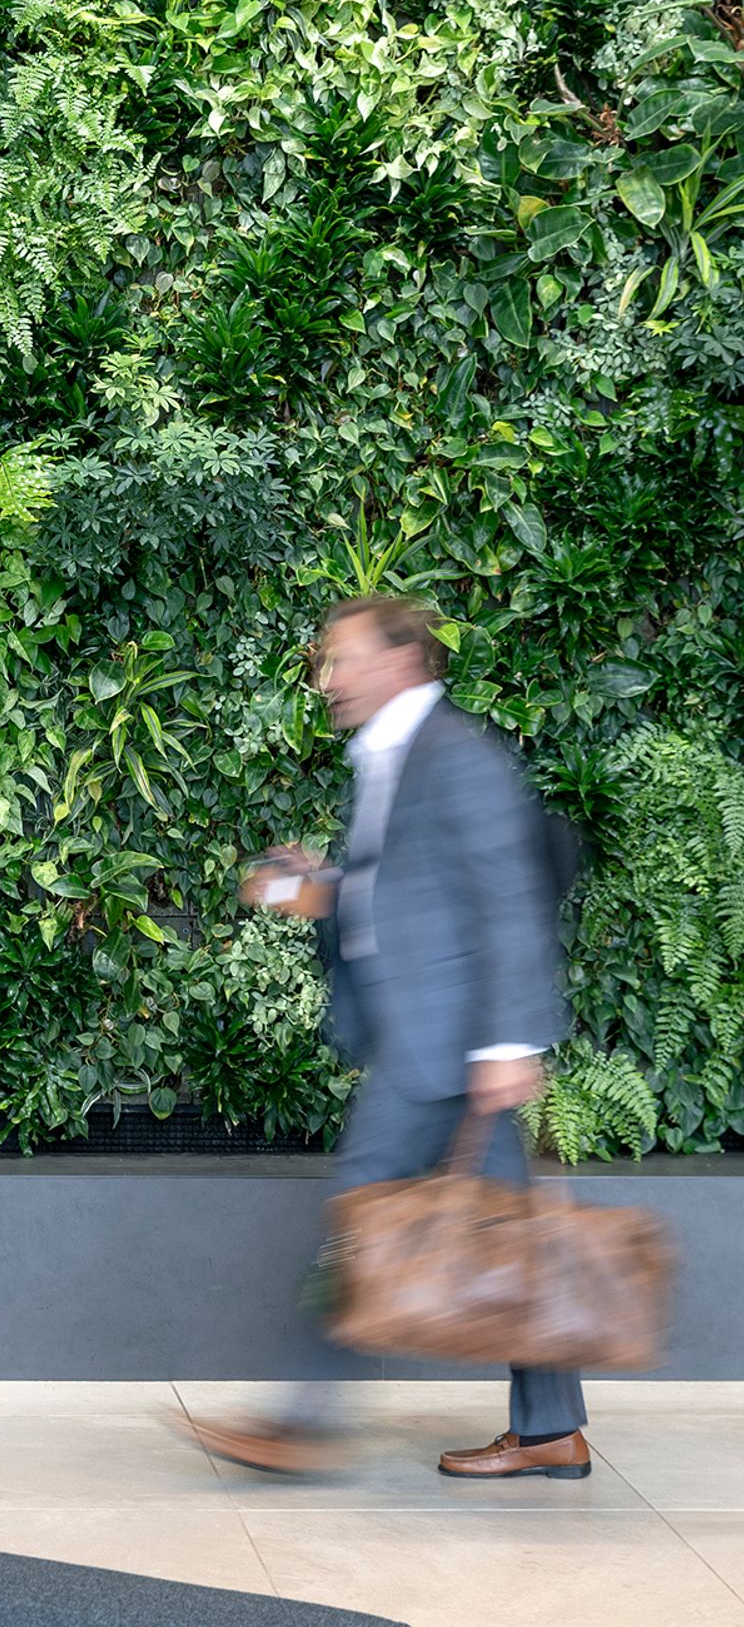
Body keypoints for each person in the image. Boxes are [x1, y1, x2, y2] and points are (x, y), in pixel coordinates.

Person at [180, 595, 589, 1480]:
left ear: (400, 663)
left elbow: (507, 897)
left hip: (444, 1045)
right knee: (511, 1233)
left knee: (357, 1217)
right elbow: (405, 892)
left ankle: (300, 1420)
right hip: (436, 1038)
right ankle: (552, 1424)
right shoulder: (393, 756)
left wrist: (511, 1040)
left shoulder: (455, 755)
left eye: (344, 659)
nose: (330, 679)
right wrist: (315, 885)